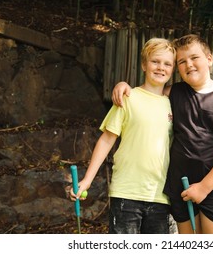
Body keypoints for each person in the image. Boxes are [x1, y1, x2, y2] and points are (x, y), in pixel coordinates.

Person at [112, 34, 213, 234]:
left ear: (209, 59)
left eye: (194, 58)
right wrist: (124, 86)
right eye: (182, 61)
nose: (189, 65)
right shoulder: (174, 92)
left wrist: (204, 188)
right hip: (181, 187)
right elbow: (148, 93)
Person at [70, 37, 176, 234]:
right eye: (155, 61)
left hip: (160, 196)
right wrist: (87, 179)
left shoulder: (173, 104)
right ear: (144, 65)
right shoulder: (128, 98)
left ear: (172, 69)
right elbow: (106, 140)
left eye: (167, 63)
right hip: (126, 193)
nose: (161, 67)